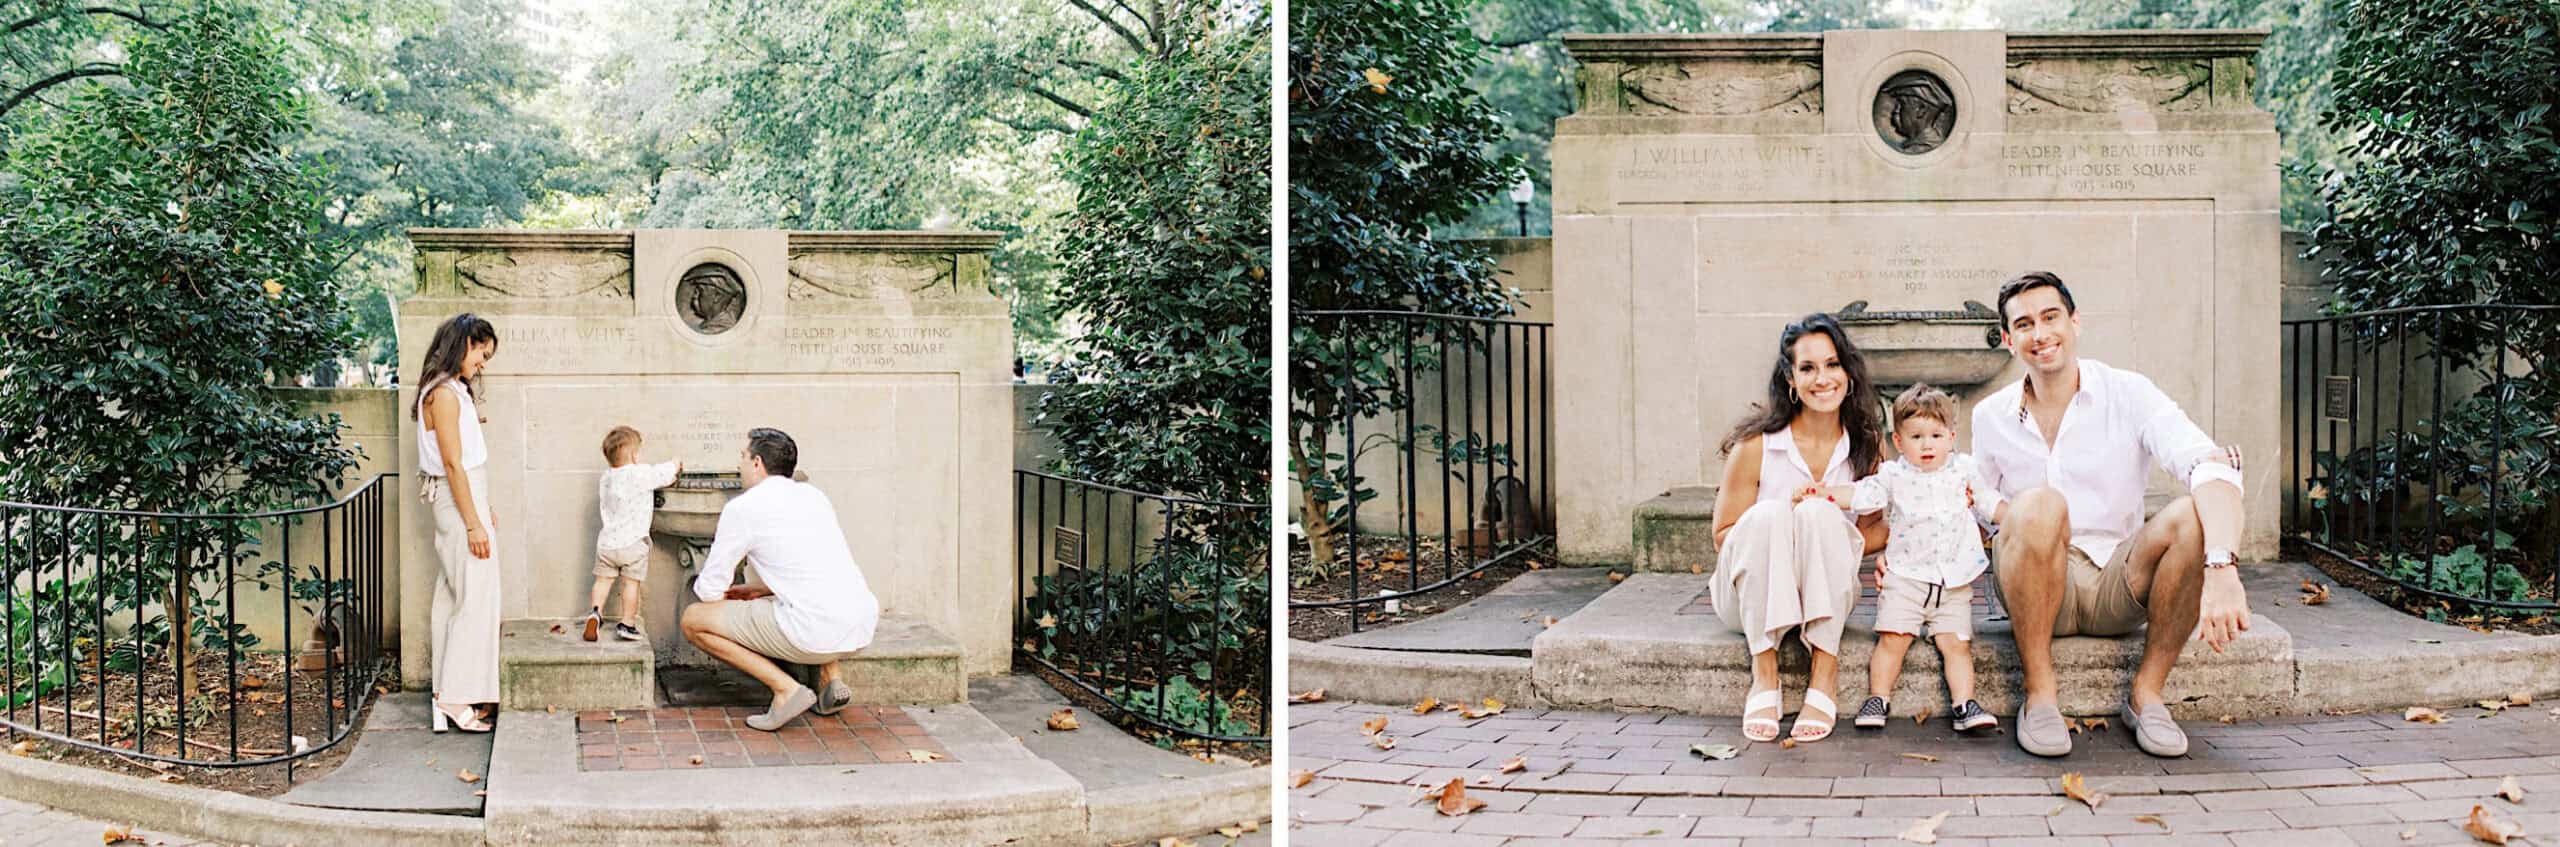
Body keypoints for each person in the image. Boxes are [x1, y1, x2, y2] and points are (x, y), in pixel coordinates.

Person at [1973, 271, 2249, 758]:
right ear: (2008, 340)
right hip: (2037, 586)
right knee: (2039, 504)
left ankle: (2147, 695)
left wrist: (2222, 567)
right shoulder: (1990, 414)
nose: (2040, 334)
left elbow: (2207, 465)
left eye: (2051, 317)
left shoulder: (2130, 392)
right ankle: (2040, 695)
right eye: (2024, 324)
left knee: (2191, 513)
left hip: (2119, 582)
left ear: (2075, 322)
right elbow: (1974, 499)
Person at [1708, 313, 1890, 743]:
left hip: (1823, 595)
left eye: (1832, 365)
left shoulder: (1865, 447)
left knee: (1818, 511)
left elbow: (1874, 530)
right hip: (1747, 595)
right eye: (1808, 368)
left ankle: (1824, 674)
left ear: (1848, 373)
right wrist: (1782, 543)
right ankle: (1764, 674)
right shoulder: (1756, 447)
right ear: (1790, 378)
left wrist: (1823, 538)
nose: (1822, 379)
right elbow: (1723, 534)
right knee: (1772, 514)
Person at [1829, 384, 2006, 733]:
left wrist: (2019, 516)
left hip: (1953, 582)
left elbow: (1988, 501)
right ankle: (1877, 696)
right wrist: (1828, 494)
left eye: (1936, 435)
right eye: (1916, 436)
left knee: (1956, 644)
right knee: (1893, 638)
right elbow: (1864, 495)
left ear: (1952, 437)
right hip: (1905, 579)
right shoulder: (1894, 475)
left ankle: (1964, 705)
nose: (1927, 444)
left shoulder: (1963, 470)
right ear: (1898, 441)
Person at [679, 428, 882, 731]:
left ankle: (785, 690)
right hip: (861, 625)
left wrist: (726, 600)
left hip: (812, 632)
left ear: (757, 463)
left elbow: (709, 590)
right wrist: (759, 591)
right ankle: (831, 679)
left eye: (743, 458)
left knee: (693, 619)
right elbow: (812, 568)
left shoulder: (743, 508)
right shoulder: (814, 496)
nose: (740, 465)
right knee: (807, 599)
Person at [416, 313, 501, 734]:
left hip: (465, 497)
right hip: (458, 500)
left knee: (453, 598)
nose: (483, 363)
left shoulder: (449, 391)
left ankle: (445, 693)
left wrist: (483, 509)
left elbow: (463, 458)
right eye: (481, 353)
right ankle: (455, 696)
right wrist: (474, 523)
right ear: (465, 343)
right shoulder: (445, 394)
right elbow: (452, 463)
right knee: (476, 599)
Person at [585, 426, 680, 643]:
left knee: (602, 581)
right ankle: (627, 624)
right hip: (632, 544)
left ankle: (595, 613)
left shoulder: (607, 478)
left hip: (608, 543)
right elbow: (662, 474)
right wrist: (675, 464)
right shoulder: (640, 474)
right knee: (631, 584)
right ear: (636, 456)